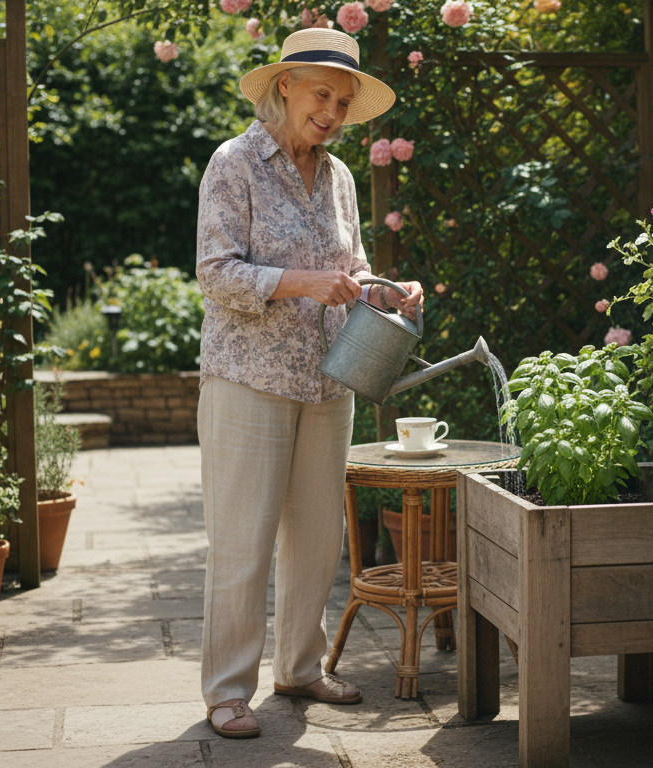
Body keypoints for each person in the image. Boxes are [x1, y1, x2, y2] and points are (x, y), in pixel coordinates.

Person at [194, 27, 422, 739]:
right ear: (284, 85)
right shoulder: (234, 163)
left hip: (330, 380)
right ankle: (228, 691)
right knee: (243, 540)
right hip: (249, 378)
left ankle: (299, 667)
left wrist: (389, 292)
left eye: (344, 102)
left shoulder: (340, 177)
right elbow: (216, 272)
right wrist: (301, 283)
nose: (332, 111)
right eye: (322, 94)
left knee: (319, 539)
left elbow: (349, 272)